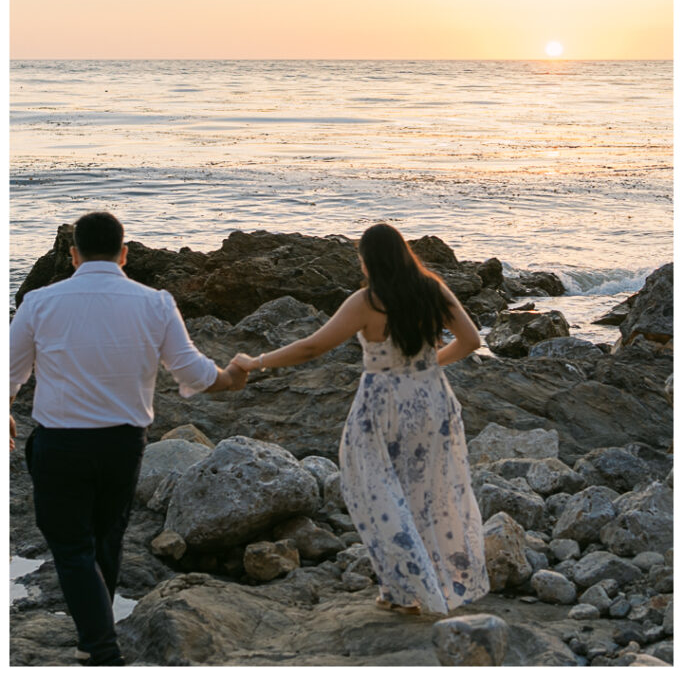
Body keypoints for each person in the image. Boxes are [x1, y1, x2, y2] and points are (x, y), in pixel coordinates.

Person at [9, 211, 246, 666]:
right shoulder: (155, 302)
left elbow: (8, 374)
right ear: (125, 253)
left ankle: (101, 649)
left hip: (61, 444)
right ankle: (92, 636)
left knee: (71, 546)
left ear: (73, 254)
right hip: (123, 445)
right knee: (106, 538)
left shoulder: (40, 302)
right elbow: (193, 372)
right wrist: (230, 377)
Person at [231, 222, 489, 616]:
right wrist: (427, 364)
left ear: (369, 261)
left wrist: (257, 361)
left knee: (372, 489)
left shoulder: (368, 301)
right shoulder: (431, 289)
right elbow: (471, 341)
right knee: (429, 492)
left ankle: (401, 590)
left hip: (382, 404)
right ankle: (433, 581)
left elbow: (313, 346)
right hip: (431, 399)